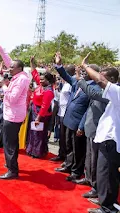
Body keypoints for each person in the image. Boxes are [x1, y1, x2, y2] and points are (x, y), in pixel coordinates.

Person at [81, 53, 120, 213]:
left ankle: (108, 207)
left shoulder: (117, 92)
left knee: (107, 174)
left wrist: (85, 67)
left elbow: (100, 81)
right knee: (104, 173)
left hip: (111, 141)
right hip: (107, 140)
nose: (99, 80)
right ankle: (104, 201)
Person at [0, 35, 30, 180]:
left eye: (12, 67)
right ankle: (11, 164)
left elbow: (13, 98)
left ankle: (12, 171)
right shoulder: (19, 74)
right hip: (11, 114)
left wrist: (4, 85)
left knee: (9, 143)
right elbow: (9, 61)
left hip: (13, 115)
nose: (9, 68)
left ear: (19, 68)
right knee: (10, 142)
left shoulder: (21, 79)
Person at [54, 52, 91, 182]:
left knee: (78, 149)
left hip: (78, 123)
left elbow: (88, 110)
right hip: (68, 120)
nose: (84, 74)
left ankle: (76, 171)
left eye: (87, 72)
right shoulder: (77, 83)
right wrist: (59, 64)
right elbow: (65, 75)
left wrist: (81, 125)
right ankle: (68, 165)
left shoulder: (93, 88)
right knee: (69, 145)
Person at [26, 56, 55, 158]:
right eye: (40, 80)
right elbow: (34, 73)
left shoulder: (48, 91)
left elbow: (44, 106)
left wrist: (38, 118)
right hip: (34, 110)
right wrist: (32, 62)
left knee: (39, 133)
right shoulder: (41, 84)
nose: (40, 81)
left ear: (48, 80)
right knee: (33, 132)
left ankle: (38, 152)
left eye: (43, 80)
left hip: (41, 114)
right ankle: (31, 149)